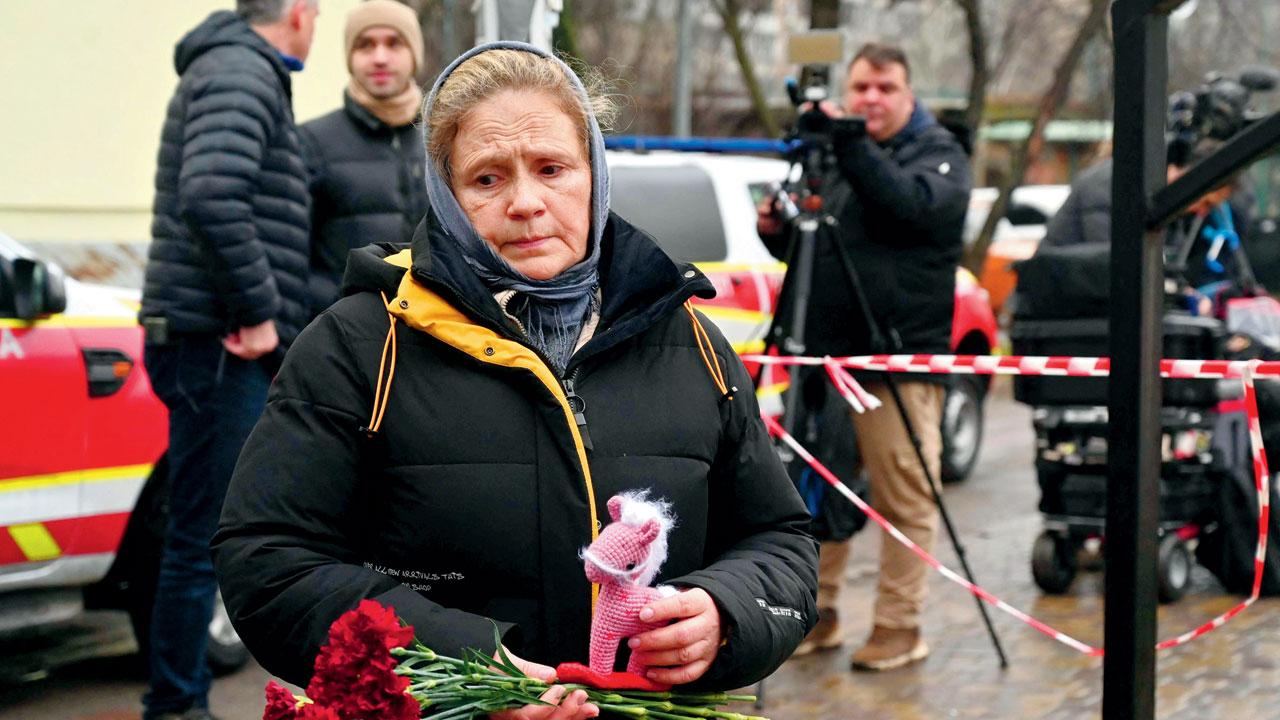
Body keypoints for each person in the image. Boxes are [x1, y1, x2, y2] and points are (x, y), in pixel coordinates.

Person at [213, 42, 818, 720]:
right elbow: (269, 564)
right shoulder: (359, 345)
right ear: (446, 194)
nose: (527, 203)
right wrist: (464, 668)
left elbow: (782, 539)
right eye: (487, 179)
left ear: (594, 173)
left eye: (552, 168)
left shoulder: (693, 344)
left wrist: (725, 612)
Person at [757, 42, 972, 671]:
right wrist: (779, 233)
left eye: (885, 88)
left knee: (904, 494)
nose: (871, 99)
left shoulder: (939, 155)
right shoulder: (843, 159)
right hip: (827, 357)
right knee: (818, 489)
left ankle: (900, 627)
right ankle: (815, 614)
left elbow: (910, 208)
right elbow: (822, 255)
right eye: (862, 89)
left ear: (909, 96)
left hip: (895, 361)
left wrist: (850, 143)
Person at [137, 1, 318, 717]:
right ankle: (176, 705)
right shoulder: (242, 69)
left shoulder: (236, 68)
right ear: (300, 11)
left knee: (200, 530)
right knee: (199, 537)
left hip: (207, 336)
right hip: (218, 340)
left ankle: (175, 698)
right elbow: (211, 193)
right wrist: (258, 311)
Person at [299, 0, 431, 318]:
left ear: (414, 53)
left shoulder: (443, 139)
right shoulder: (310, 142)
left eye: (394, 43)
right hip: (341, 336)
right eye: (365, 45)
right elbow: (289, 258)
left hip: (434, 334)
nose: (380, 58)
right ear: (349, 57)